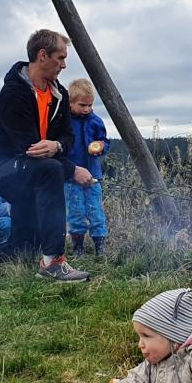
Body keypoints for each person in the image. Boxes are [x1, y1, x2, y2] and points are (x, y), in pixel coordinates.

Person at [0, 29, 90, 282]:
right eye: (60, 58)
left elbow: (67, 138)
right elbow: (29, 148)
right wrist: (72, 169)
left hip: (30, 170)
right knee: (51, 169)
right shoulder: (13, 92)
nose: (64, 65)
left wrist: (57, 146)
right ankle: (53, 262)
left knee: (22, 249)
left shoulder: (59, 94)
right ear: (42, 55)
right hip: (2, 166)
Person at [63, 78, 110, 255]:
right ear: (70, 102)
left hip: (93, 176)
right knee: (76, 212)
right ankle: (78, 246)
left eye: (90, 105)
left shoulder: (96, 121)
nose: (87, 109)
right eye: (82, 105)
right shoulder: (64, 122)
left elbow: (104, 141)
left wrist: (101, 146)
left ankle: (100, 245)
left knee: (95, 210)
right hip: (71, 177)